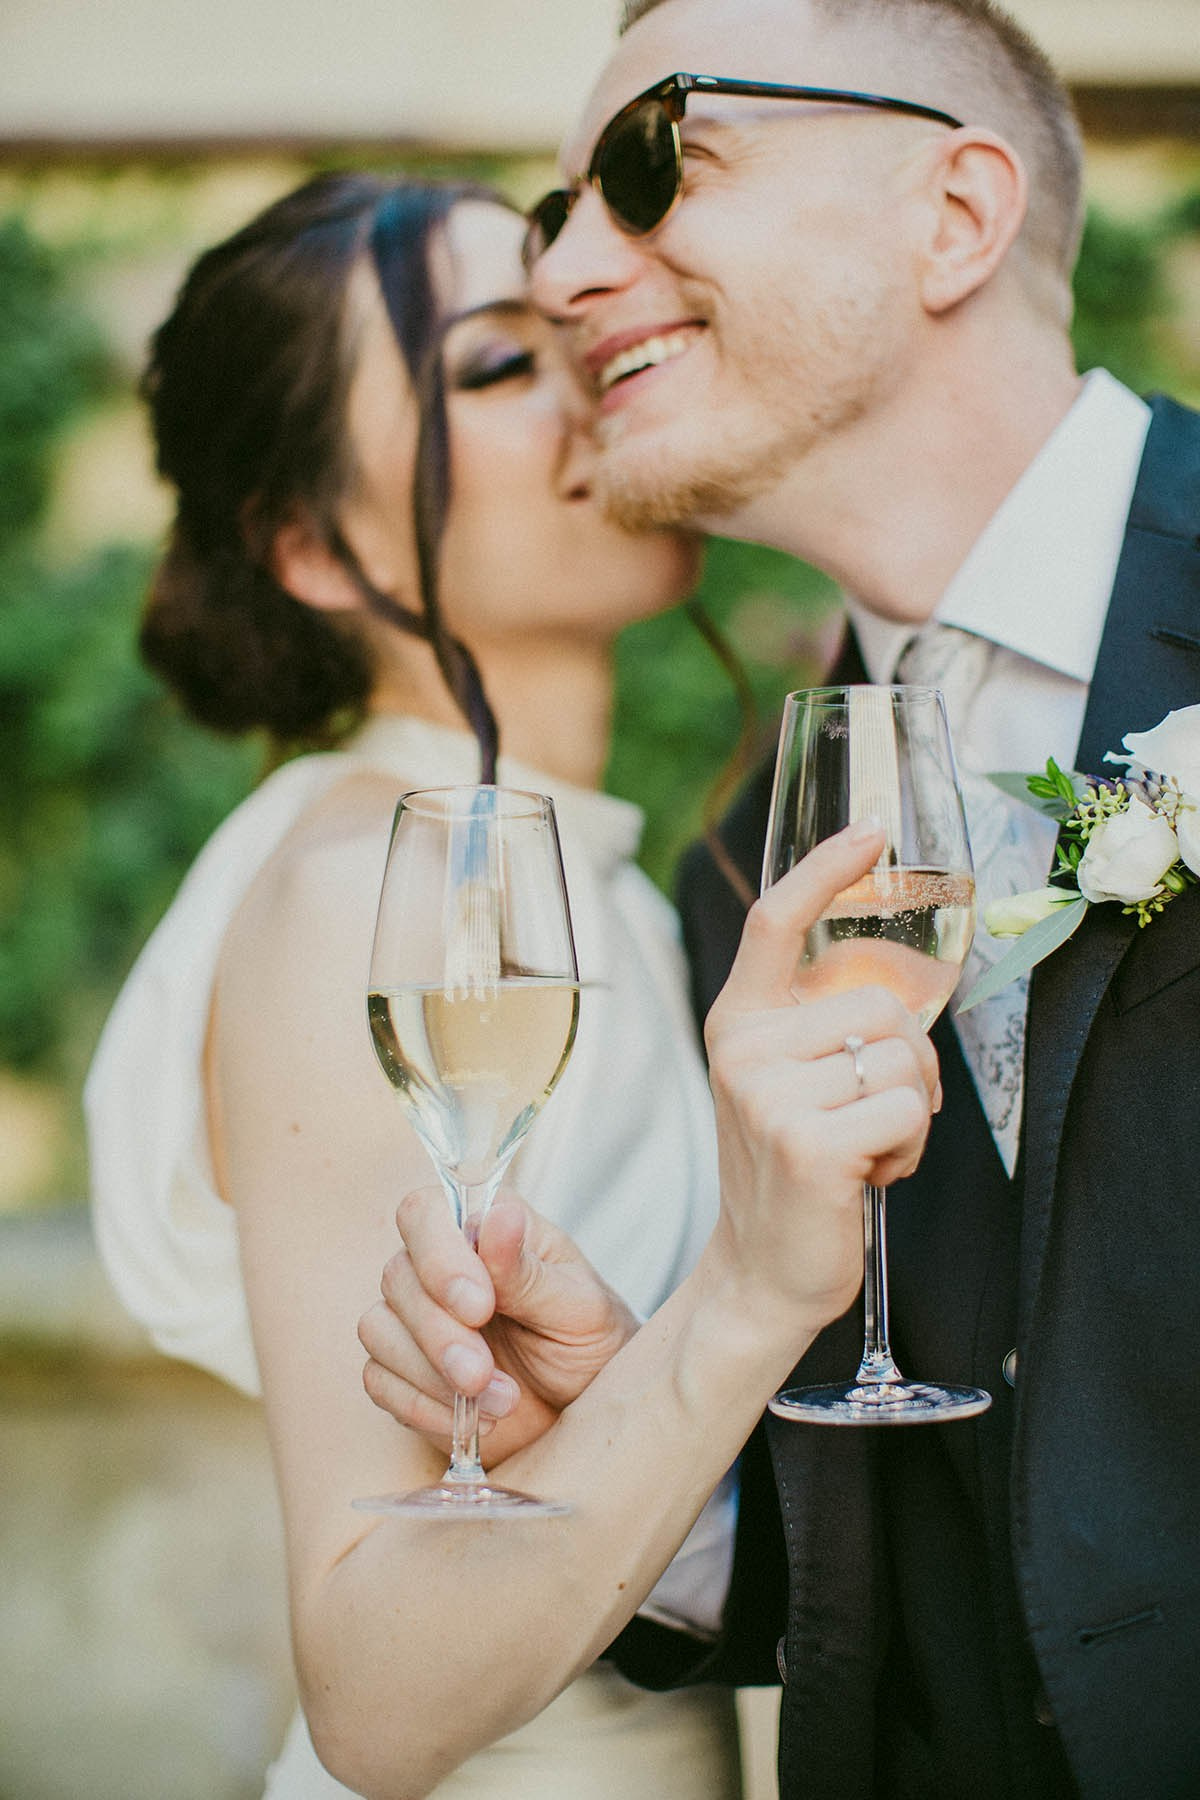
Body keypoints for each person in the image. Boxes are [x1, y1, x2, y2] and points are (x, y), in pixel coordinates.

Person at [358, 2, 1200, 1796]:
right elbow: (968, 1545)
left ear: (956, 215)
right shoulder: (742, 871)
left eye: (657, 165)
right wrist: (637, 1444)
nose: (575, 272)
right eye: (554, 216)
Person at [83, 168, 759, 1799]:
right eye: (496, 367)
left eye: (572, 329)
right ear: (313, 548)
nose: (589, 381)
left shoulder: (582, 881)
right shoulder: (353, 902)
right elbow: (380, 1645)